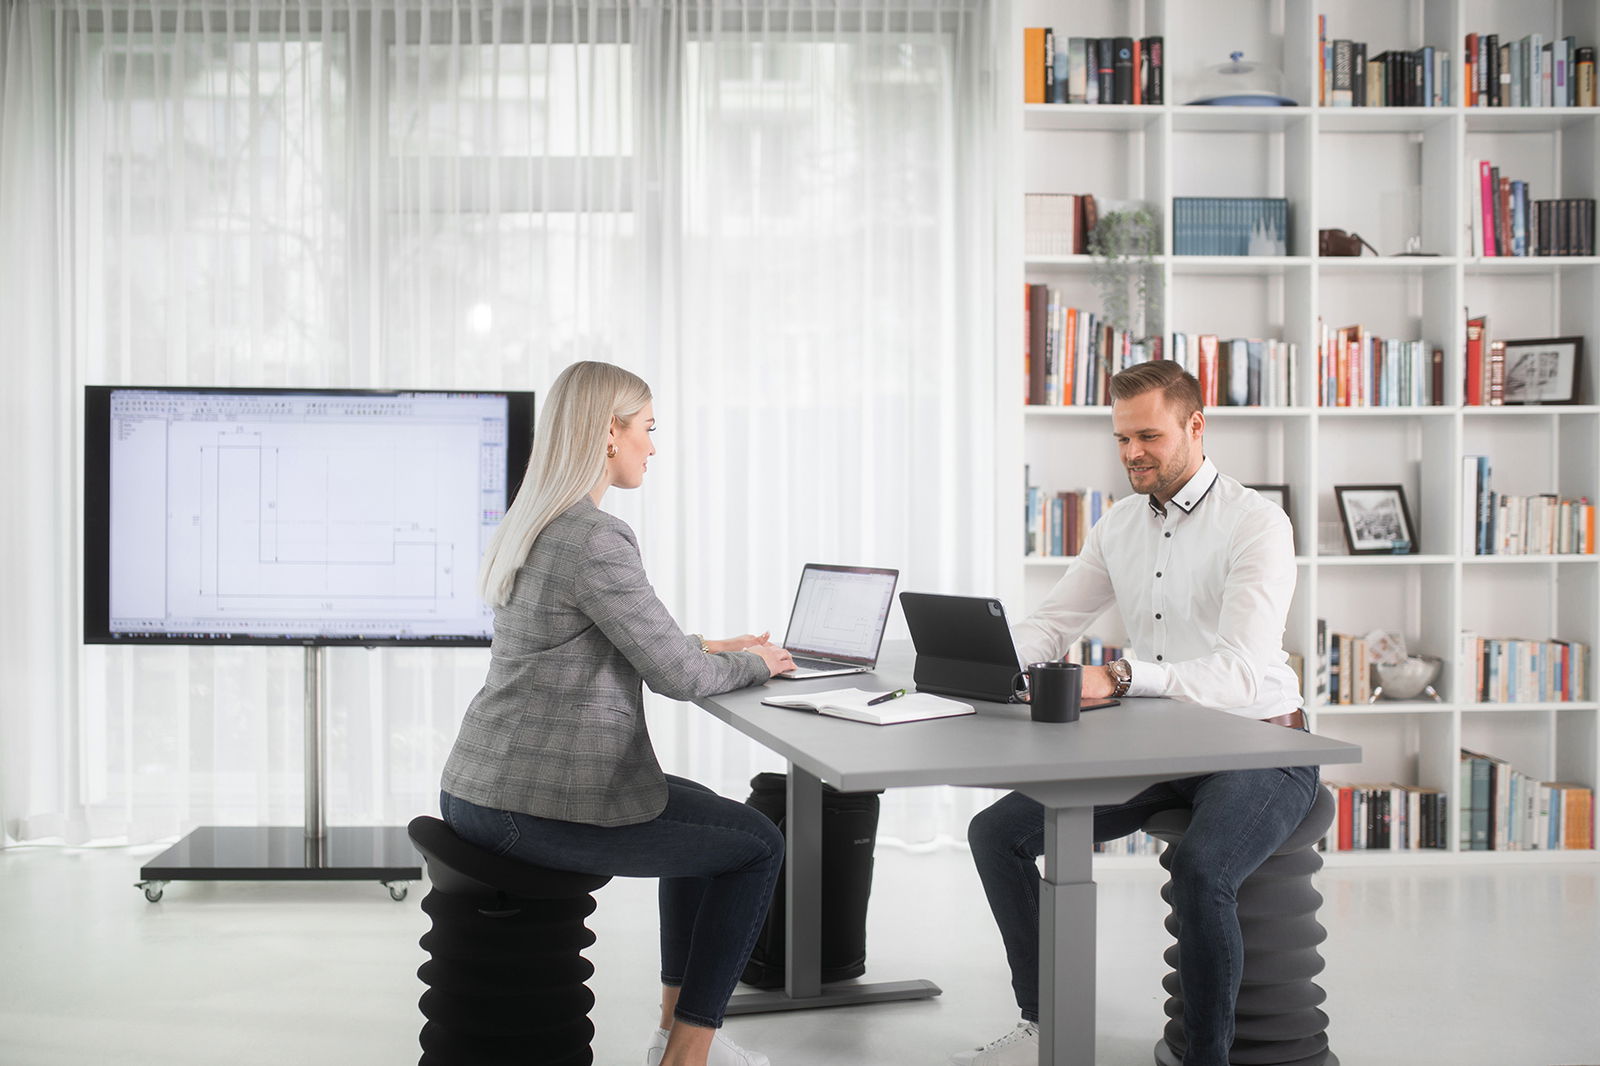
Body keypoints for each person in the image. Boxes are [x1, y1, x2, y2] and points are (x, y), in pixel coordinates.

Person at [953, 360, 1317, 1066]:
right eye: (1122, 439)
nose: (1132, 454)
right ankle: (1045, 1020)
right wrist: (992, 659)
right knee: (996, 833)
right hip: (1162, 747)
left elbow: (1242, 674)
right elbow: (1053, 622)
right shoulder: (1119, 523)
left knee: (1203, 872)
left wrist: (1119, 674)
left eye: (1148, 435)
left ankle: (1205, 1059)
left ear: (1195, 426)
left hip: (1263, 746)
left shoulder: (1257, 524)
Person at [439, 360, 795, 1066]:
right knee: (756, 845)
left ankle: (674, 1028)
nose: (653, 448)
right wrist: (762, 662)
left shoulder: (535, 521)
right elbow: (678, 677)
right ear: (610, 432)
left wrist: (709, 642)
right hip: (536, 808)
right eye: (648, 430)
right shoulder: (597, 537)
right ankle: (688, 1053)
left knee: (704, 826)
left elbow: (590, 638)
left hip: (478, 789)